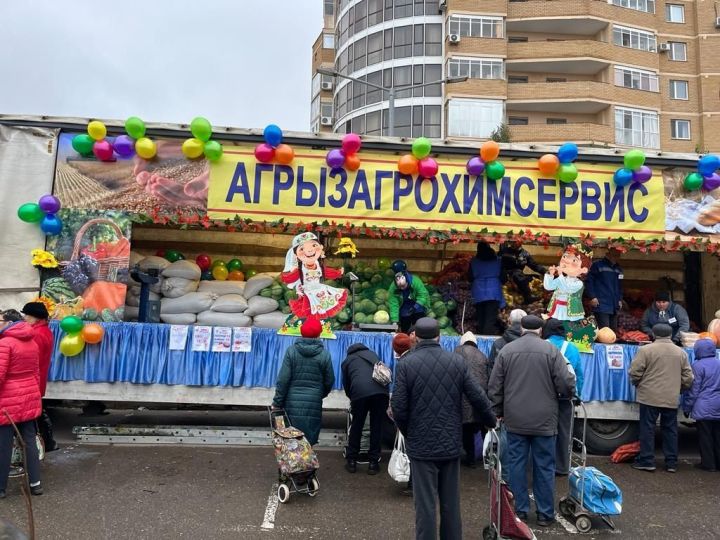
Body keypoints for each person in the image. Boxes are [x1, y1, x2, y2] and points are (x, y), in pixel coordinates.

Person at [391, 318, 496, 540]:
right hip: (450, 442)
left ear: (415, 338)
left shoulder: (406, 365)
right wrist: (491, 421)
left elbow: (398, 408)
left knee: (425, 505)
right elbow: (477, 396)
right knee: (451, 503)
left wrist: (409, 432)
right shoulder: (456, 362)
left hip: (421, 445)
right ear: (439, 336)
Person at [488, 315, 575, 526]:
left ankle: (520, 511)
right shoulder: (551, 351)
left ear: (521, 329)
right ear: (541, 330)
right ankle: (545, 514)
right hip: (545, 420)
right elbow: (565, 383)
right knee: (544, 466)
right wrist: (564, 395)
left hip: (515, 419)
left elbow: (494, 386)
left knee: (516, 464)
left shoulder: (507, 351)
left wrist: (498, 410)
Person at [629, 323, 693, 473]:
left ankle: (647, 461)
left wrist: (638, 384)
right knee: (670, 429)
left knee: (647, 429)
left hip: (648, 396)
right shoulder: (680, 352)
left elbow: (635, 372)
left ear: (654, 335)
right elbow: (688, 378)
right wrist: (680, 389)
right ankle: (671, 463)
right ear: (671, 335)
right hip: (670, 396)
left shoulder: (645, 350)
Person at [0, 309, 43, 498]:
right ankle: (36, 484)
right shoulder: (32, 343)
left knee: (4, 443)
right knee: (29, 441)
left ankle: (1, 488)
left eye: (0, 320)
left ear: (8, 322)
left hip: (8, 399)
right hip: (29, 396)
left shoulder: (5, 343)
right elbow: (36, 372)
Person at [272, 318, 335, 446]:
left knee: (292, 437)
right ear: (319, 334)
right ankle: (308, 463)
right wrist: (320, 393)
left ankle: (293, 464)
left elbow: (283, 380)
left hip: (292, 401)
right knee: (308, 438)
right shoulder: (324, 354)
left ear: (301, 333)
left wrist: (277, 402)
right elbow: (330, 380)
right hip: (314, 401)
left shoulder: (292, 351)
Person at [543, 318, 584, 476]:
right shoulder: (572, 348)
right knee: (564, 431)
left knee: (544, 431)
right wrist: (578, 394)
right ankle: (561, 467)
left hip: (545, 395)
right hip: (566, 397)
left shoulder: (543, 346)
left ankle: (544, 465)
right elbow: (578, 374)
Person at [342, 343, 390, 474]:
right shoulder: (373, 355)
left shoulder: (348, 360)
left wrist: (352, 397)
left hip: (359, 394)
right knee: (376, 426)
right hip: (381, 393)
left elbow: (347, 384)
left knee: (357, 424)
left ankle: (352, 461)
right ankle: (373, 463)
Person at [21, 302, 58, 452]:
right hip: (38, 378)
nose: (25, 318)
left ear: (35, 317)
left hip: (33, 379)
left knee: (36, 414)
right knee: (38, 411)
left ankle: (47, 443)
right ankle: (48, 443)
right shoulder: (44, 331)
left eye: (27, 315)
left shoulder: (36, 334)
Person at [683, 339, 720, 471]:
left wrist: (687, 408)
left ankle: (708, 465)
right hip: (718, 405)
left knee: (705, 436)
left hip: (703, 406)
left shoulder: (698, 366)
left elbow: (694, 391)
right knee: (717, 435)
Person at [454, 331, 490, 468]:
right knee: (483, 428)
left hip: (463, 397)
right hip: (480, 398)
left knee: (466, 429)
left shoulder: (456, 352)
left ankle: (470, 459)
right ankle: (487, 457)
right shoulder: (482, 355)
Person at [544, 244, 592, 322]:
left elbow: (567, 288)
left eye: (574, 260)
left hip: (571, 313)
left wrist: (560, 275)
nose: (566, 261)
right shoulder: (562, 278)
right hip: (557, 309)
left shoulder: (579, 283)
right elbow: (549, 287)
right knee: (557, 325)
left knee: (569, 329)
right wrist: (551, 275)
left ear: (583, 269)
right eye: (565, 257)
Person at [468, 242, 505, 335]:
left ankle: (480, 339)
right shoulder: (498, 261)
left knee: (480, 319)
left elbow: (470, 277)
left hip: (478, 292)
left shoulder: (474, 261)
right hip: (494, 292)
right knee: (490, 319)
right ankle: (487, 342)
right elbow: (504, 278)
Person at [585, 248, 623, 332]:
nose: (617, 257)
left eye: (618, 256)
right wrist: (592, 297)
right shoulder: (597, 265)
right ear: (608, 254)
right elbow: (589, 281)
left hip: (614, 305)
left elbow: (620, 286)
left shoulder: (618, 269)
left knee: (613, 331)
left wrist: (620, 299)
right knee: (604, 331)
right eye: (615, 255)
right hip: (601, 303)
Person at [387, 260, 429, 333]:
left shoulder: (416, 282)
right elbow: (394, 304)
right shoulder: (393, 288)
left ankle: (418, 337)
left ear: (407, 281)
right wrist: (394, 321)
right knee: (405, 322)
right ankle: (405, 337)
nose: (402, 288)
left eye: (404, 286)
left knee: (418, 323)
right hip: (404, 305)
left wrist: (416, 306)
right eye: (400, 287)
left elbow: (423, 295)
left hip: (418, 303)